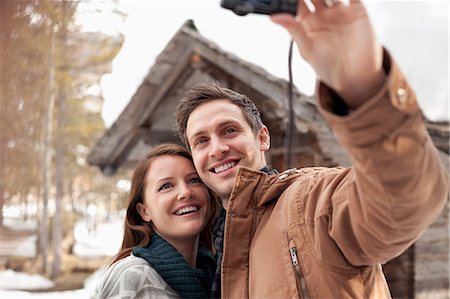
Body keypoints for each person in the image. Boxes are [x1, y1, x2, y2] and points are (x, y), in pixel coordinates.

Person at [175, 0, 449, 298]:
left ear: (262, 139)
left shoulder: (309, 202)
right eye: (201, 141)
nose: (217, 148)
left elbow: (402, 198)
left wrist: (363, 85)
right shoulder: (203, 251)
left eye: (229, 130)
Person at [92, 144, 217, 299]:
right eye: (166, 186)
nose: (185, 192)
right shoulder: (133, 276)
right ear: (144, 211)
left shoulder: (216, 276)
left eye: (194, 180)